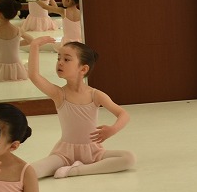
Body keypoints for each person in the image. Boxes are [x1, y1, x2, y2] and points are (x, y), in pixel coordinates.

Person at [25, 40, 135, 179]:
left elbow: (123, 114)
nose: (60, 63)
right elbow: (34, 76)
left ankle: (76, 170)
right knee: (31, 171)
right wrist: (34, 46)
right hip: (64, 154)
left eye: (66, 59)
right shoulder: (59, 94)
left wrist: (112, 129)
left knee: (129, 158)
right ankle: (77, 168)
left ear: (83, 69)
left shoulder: (95, 95)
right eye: (58, 58)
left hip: (93, 152)